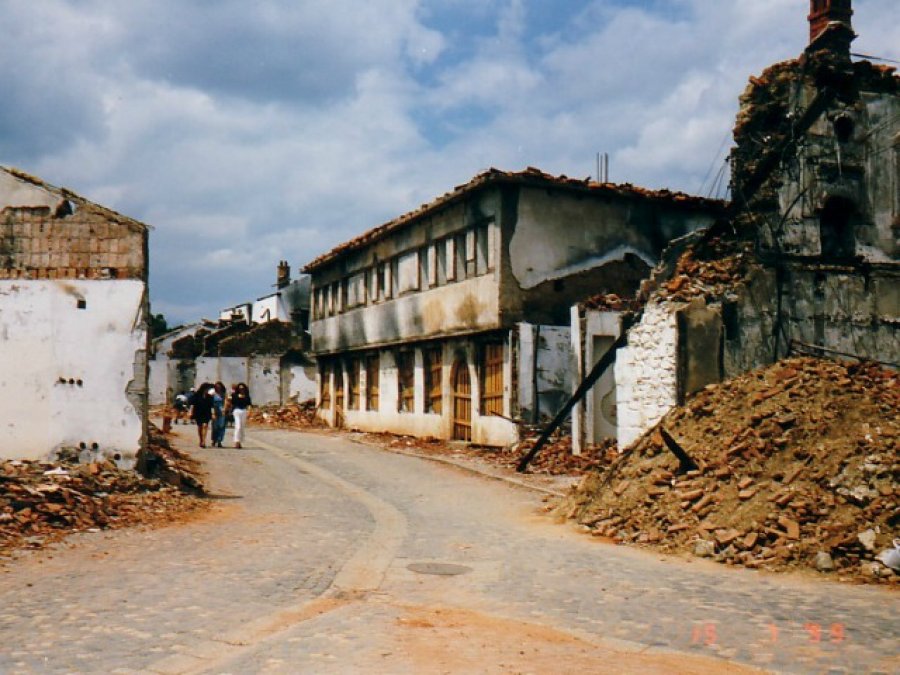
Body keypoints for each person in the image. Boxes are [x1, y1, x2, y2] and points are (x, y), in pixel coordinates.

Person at [190, 383, 215, 448]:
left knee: (205, 425)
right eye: (207, 388)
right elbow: (192, 404)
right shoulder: (196, 395)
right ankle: (200, 439)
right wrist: (191, 412)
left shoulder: (209, 397)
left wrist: (213, 414)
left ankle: (204, 441)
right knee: (200, 426)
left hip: (206, 412)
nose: (208, 390)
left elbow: (212, 406)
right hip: (198, 412)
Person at [230, 382, 252, 449]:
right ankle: (236, 441)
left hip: (244, 411)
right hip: (237, 411)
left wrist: (249, 411)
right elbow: (232, 403)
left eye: (242, 388)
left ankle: (240, 441)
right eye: (240, 388)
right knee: (238, 426)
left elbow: (249, 404)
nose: (241, 389)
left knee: (242, 427)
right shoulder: (234, 395)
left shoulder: (247, 396)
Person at [210, 382, 227, 448]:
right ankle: (214, 440)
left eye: (219, 386)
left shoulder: (223, 394)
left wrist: (224, 409)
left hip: (221, 410)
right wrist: (213, 413)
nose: (218, 388)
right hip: (214, 410)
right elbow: (211, 403)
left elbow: (226, 401)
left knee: (221, 426)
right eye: (217, 387)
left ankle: (219, 440)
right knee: (215, 426)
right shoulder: (213, 394)